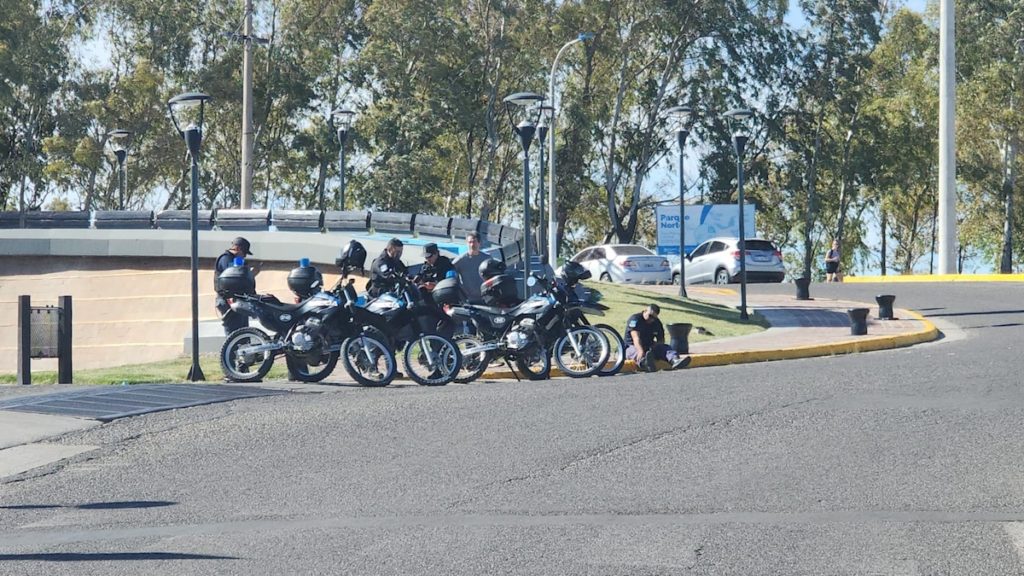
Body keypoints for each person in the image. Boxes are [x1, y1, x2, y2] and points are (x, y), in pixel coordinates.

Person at [625, 303, 692, 372]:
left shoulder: (656, 323)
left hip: (649, 346)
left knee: (665, 347)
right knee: (634, 351)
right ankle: (645, 363)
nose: (651, 319)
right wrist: (640, 351)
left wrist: (654, 347)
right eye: (650, 316)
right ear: (645, 311)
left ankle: (675, 360)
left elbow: (661, 340)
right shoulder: (635, 319)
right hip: (633, 345)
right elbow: (636, 338)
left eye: (654, 318)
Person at [214, 237, 260, 336]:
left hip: (238, 299)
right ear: (238, 248)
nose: (244, 256)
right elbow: (233, 279)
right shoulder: (226, 259)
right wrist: (251, 273)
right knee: (233, 331)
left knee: (242, 330)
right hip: (228, 299)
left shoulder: (236, 261)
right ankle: (232, 351)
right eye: (244, 253)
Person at [452, 232, 494, 303]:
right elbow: (451, 275)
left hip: (485, 298)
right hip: (468, 299)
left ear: (479, 243)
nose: (472, 245)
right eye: (469, 242)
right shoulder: (460, 260)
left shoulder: (487, 259)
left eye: (474, 242)